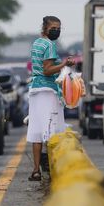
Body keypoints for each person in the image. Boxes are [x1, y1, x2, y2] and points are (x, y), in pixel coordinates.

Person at [27, 15, 74, 181]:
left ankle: (36, 170)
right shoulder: (50, 45)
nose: (56, 31)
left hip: (35, 89)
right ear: (45, 28)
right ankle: (54, 168)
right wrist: (64, 65)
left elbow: (38, 67)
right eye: (53, 28)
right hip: (48, 91)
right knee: (52, 130)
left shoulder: (37, 43)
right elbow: (47, 70)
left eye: (59, 28)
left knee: (37, 131)